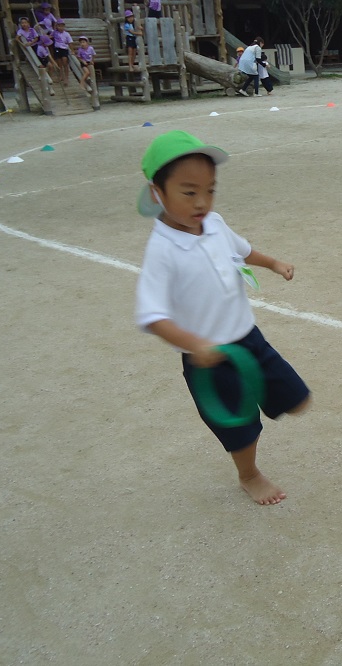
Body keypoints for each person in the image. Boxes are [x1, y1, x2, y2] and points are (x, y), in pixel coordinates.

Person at [134, 130, 311, 505]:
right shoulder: (162, 250)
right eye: (188, 192)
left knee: (299, 399)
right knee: (242, 429)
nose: (202, 201)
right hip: (211, 358)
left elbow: (243, 251)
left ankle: (273, 405)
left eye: (210, 190)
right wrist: (196, 346)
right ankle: (249, 475)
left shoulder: (215, 223)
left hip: (249, 339)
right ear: (156, 194)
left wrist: (274, 263)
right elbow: (152, 315)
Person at [51, 19, 73, 84]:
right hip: (57, 48)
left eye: (62, 26)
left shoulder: (66, 34)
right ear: (57, 26)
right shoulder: (54, 32)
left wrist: (72, 50)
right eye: (59, 26)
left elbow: (70, 42)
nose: (61, 28)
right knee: (59, 63)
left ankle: (66, 77)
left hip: (64, 49)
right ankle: (61, 76)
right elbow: (49, 37)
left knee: (65, 62)